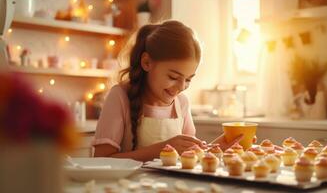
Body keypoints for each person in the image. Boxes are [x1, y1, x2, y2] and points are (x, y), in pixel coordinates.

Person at [92, 20, 242, 162]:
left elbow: (189, 154)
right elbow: (101, 161)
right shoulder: (120, 96)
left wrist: (217, 148)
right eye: (173, 77)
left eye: (188, 79)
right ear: (147, 62)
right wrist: (162, 149)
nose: (182, 87)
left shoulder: (181, 103)